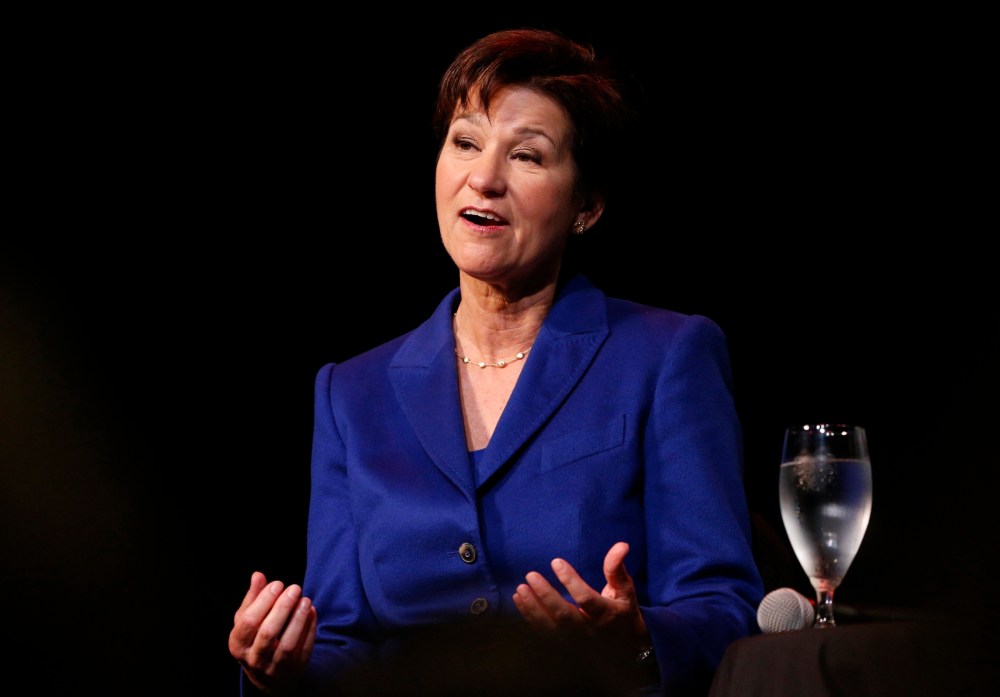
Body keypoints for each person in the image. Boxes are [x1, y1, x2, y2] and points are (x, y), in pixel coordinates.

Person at [228, 27, 764, 697]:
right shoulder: (350, 392)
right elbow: (343, 641)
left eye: (528, 156)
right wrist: (280, 666)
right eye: (465, 142)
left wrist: (638, 640)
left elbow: (724, 603)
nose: (484, 177)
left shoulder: (666, 355)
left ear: (587, 206)